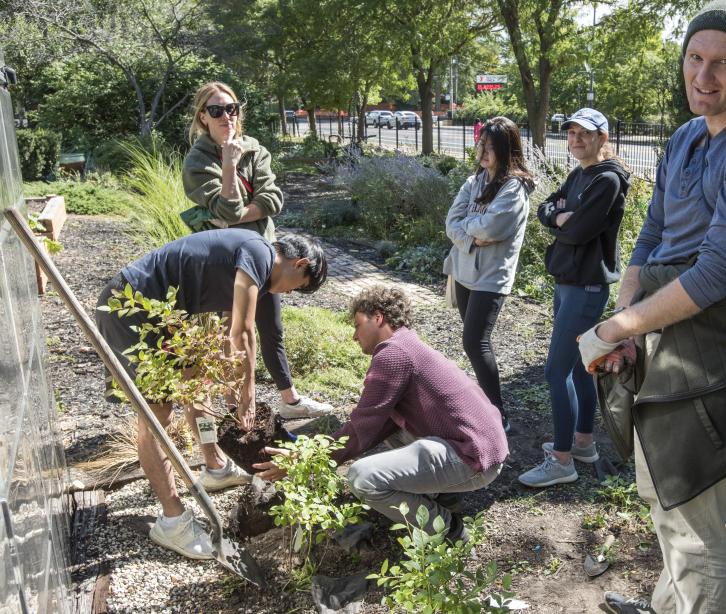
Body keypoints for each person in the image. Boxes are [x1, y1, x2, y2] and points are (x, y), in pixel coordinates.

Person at [577, 1, 726, 612]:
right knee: (665, 497)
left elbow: (716, 275)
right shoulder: (683, 137)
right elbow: (649, 239)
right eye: (695, 58)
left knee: (692, 515)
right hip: (655, 326)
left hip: (707, 340)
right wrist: (622, 325)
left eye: (723, 62)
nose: (703, 76)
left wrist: (617, 324)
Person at [96, 229, 327, 560]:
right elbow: (244, 332)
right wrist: (246, 395)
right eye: (298, 286)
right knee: (156, 416)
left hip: (169, 315)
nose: (289, 293)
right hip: (131, 306)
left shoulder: (253, 272)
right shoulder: (259, 252)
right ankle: (172, 521)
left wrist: (231, 390)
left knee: (196, 385)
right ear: (299, 263)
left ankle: (215, 466)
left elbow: (228, 335)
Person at [254, 286, 508, 540]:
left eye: (357, 324)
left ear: (378, 317)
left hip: (473, 458)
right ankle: (441, 495)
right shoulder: (406, 344)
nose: (354, 336)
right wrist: (317, 458)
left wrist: (304, 460)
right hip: (483, 447)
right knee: (391, 428)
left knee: (363, 478)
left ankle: (450, 529)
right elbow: (375, 425)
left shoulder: (394, 354)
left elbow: (359, 428)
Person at [182, 81, 333, 421]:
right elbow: (226, 205)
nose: (226, 116)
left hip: (266, 258)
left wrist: (238, 214)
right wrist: (229, 166)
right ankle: (233, 405)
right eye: (217, 111)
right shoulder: (197, 161)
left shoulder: (254, 148)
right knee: (230, 331)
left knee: (271, 327)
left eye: (231, 108)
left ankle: (290, 400)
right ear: (203, 117)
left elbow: (272, 200)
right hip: (226, 265)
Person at [518, 108, 630, 487]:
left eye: (586, 133)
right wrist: (558, 215)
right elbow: (546, 208)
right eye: (572, 133)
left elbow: (580, 231)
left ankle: (561, 460)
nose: (577, 140)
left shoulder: (608, 181)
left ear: (603, 138)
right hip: (569, 282)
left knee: (556, 371)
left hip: (586, 286)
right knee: (583, 366)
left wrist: (565, 219)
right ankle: (583, 443)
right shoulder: (578, 174)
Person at [443, 116, 535, 432]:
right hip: (466, 271)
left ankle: (498, 415)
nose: (482, 151)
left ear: (506, 149)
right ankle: (487, 405)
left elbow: (494, 227)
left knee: (475, 342)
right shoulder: (475, 181)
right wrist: (472, 233)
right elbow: (451, 222)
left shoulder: (514, 187)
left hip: (492, 276)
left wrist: (468, 226)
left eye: (490, 146)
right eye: (481, 143)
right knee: (472, 342)